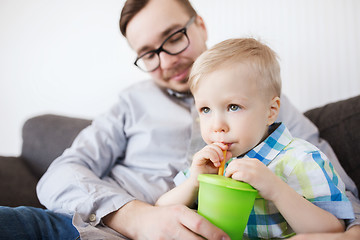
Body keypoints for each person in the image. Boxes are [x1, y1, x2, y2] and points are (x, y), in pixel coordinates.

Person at [0, 0, 359, 239]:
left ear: (200, 25)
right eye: (148, 54)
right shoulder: (131, 102)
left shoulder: (266, 105)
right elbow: (61, 173)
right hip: (91, 226)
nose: (166, 60)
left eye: (173, 37)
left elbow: (341, 198)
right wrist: (137, 219)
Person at [155, 38, 354, 238]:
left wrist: (277, 190)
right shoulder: (211, 164)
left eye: (233, 107)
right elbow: (160, 211)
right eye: (205, 109)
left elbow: (333, 230)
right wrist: (195, 182)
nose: (217, 126)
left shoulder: (301, 160)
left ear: (271, 111)